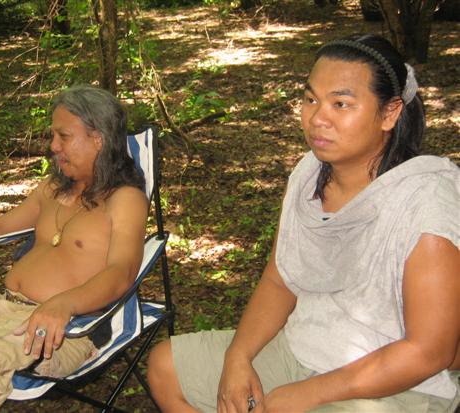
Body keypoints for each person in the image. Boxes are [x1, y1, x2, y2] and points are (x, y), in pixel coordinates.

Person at [147, 33, 460, 413]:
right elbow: (280, 280)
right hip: (302, 348)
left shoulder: (426, 201)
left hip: (397, 383)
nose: (318, 118)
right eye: (311, 99)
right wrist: (238, 357)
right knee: (166, 369)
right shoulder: (309, 175)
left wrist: (307, 393)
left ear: (390, 113)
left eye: (341, 104)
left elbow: (428, 352)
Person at [0, 85, 148, 413]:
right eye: (53, 136)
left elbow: (121, 272)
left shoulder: (125, 200)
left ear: (98, 139)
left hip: (64, 330)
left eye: (63, 136)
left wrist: (64, 303)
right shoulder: (53, 189)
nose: (53, 146)